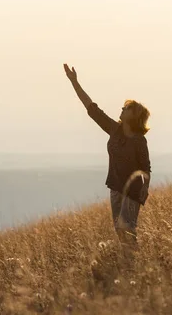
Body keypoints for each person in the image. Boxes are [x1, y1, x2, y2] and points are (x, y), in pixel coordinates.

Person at [63, 63, 152, 250]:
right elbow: (92, 109)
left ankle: (134, 263)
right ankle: (132, 262)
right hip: (115, 188)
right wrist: (74, 82)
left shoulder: (138, 141)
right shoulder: (115, 130)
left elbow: (146, 167)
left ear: (134, 116)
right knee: (121, 233)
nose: (122, 108)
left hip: (132, 191)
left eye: (126, 108)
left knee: (126, 229)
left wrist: (145, 188)